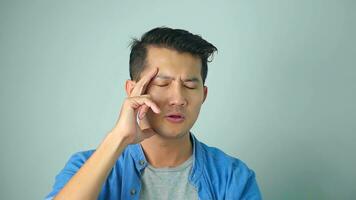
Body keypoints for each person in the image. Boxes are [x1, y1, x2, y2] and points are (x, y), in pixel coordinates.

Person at [45, 27, 262, 200]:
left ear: (203, 95)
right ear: (133, 91)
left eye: (189, 85)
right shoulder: (87, 166)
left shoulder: (232, 177)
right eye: (162, 83)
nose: (178, 98)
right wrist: (118, 138)